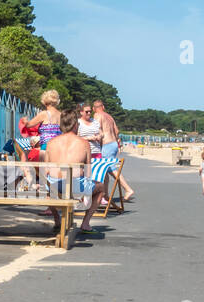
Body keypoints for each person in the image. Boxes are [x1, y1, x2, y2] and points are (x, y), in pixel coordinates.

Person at [42, 108, 107, 236]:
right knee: (101, 188)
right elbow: (88, 171)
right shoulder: (84, 143)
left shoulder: (50, 143)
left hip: (54, 186)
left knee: (48, 190)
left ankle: (57, 220)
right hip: (75, 186)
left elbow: (47, 169)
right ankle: (86, 223)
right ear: (75, 125)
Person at [92, 99, 136, 201]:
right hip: (113, 144)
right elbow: (117, 131)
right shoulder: (109, 117)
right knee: (105, 170)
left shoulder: (97, 116)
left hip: (106, 144)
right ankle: (105, 194)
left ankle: (128, 189)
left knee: (111, 169)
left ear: (94, 109)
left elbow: (97, 130)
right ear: (103, 107)